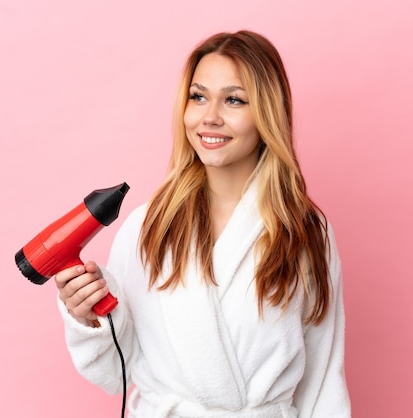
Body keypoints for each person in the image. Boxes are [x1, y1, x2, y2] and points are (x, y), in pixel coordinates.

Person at [54, 30, 351, 417]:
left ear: (267, 113)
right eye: (198, 96)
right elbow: (116, 371)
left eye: (233, 100)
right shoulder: (148, 227)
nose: (209, 117)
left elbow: (323, 381)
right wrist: (87, 319)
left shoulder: (305, 231)